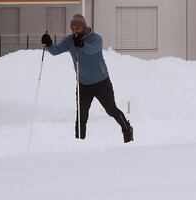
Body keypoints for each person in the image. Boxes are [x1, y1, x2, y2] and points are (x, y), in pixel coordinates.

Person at [41, 14, 133, 143]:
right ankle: (79, 143)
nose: (74, 31)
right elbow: (55, 51)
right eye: (72, 29)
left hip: (101, 82)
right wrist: (49, 43)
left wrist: (82, 44)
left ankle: (127, 128)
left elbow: (92, 50)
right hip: (83, 84)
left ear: (83, 27)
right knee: (81, 115)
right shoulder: (70, 41)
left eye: (77, 28)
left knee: (111, 109)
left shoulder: (96, 39)